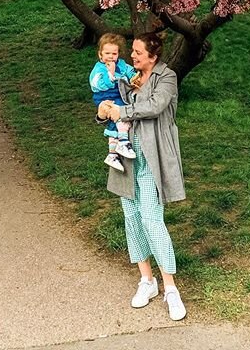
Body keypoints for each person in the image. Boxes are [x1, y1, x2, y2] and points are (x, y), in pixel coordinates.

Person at [97, 32, 187, 321]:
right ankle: (147, 281)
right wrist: (103, 112)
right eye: (132, 52)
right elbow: (110, 102)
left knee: (151, 218)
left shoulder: (166, 77)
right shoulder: (129, 76)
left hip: (152, 158)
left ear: (153, 55)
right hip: (125, 157)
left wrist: (122, 110)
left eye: (137, 52)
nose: (131, 56)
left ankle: (171, 288)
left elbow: (155, 106)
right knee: (132, 218)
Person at [89, 33, 137, 171]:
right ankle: (123, 142)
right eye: (107, 53)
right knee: (121, 115)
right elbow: (96, 83)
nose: (111, 56)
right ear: (100, 54)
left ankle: (112, 154)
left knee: (113, 124)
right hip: (106, 96)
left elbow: (130, 72)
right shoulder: (99, 68)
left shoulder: (121, 64)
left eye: (114, 53)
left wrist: (134, 78)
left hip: (119, 95)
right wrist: (110, 75)